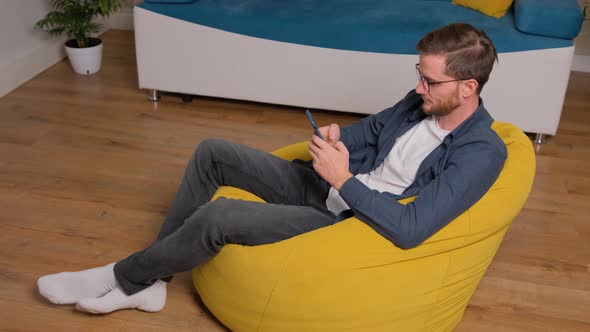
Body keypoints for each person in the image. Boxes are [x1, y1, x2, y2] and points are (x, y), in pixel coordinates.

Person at [37, 23, 507, 314]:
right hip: (328, 185)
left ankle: (123, 276)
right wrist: (335, 137)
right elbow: (369, 132)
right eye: (418, 73)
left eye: (429, 80)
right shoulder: (418, 103)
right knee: (213, 151)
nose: (418, 85)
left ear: (467, 87)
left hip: (345, 222)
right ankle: (153, 282)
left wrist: (343, 179)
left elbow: (410, 228)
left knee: (217, 218)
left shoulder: (481, 152)